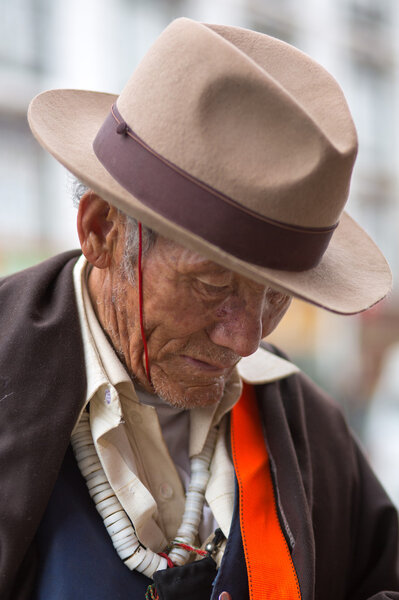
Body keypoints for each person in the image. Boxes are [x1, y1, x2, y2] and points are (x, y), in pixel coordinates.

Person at [0, 16, 398, 600]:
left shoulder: (307, 428)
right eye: (212, 285)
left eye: (278, 295)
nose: (246, 341)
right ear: (101, 230)